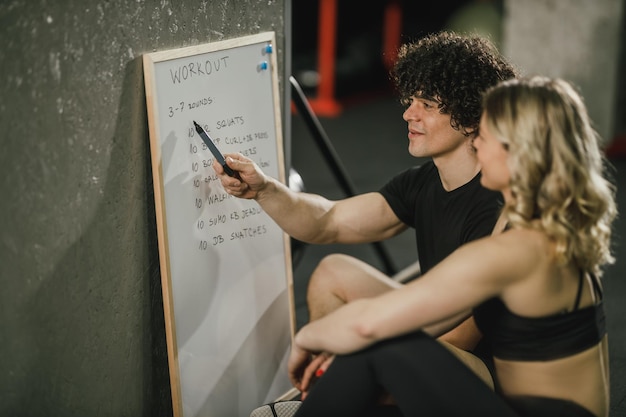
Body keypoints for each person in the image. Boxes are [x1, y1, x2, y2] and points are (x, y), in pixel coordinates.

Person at [286, 76, 616, 417]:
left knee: (379, 345)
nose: (476, 147)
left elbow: (369, 324)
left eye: (483, 138)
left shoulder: (519, 250)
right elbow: (421, 318)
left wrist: (307, 338)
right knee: (379, 356)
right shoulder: (541, 224)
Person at [216, 31, 517, 399]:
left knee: (374, 352)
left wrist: (351, 340)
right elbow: (327, 222)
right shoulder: (423, 183)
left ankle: (338, 390)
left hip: (490, 378)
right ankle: (330, 391)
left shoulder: (495, 207)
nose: (409, 113)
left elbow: (461, 336)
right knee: (333, 273)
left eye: (427, 103)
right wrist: (263, 189)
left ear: (471, 114)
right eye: (411, 99)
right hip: (436, 342)